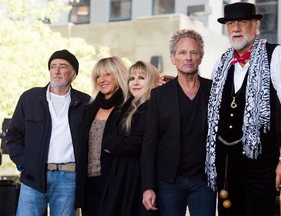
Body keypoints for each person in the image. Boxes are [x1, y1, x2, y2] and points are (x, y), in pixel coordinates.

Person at [205, 2, 281, 216]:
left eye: (242, 22)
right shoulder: (221, 63)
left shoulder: (275, 55)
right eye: (230, 23)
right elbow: (209, 98)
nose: (236, 28)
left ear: (255, 25)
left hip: (261, 165)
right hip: (227, 165)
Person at [6, 49, 91, 216]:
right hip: (33, 175)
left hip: (68, 177)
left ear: (73, 74)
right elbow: (14, 135)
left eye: (63, 66)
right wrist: (24, 164)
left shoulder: (85, 103)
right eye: (53, 66)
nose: (57, 71)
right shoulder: (30, 98)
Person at [141, 29, 216, 216]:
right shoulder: (159, 95)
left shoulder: (214, 90)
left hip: (204, 181)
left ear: (201, 57)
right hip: (169, 182)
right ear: (173, 58)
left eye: (193, 52)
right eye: (182, 52)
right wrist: (148, 186)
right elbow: (149, 143)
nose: (188, 57)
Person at [97, 61, 160, 216]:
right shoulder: (129, 105)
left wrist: (109, 143)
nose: (135, 82)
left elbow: (135, 143)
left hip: (136, 177)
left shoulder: (150, 107)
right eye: (131, 78)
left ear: (151, 80)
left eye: (141, 77)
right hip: (122, 175)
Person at [77, 56, 129, 216]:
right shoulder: (90, 107)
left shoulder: (128, 106)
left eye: (107, 74)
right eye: (98, 76)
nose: (102, 79)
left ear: (118, 75)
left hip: (115, 181)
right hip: (89, 182)